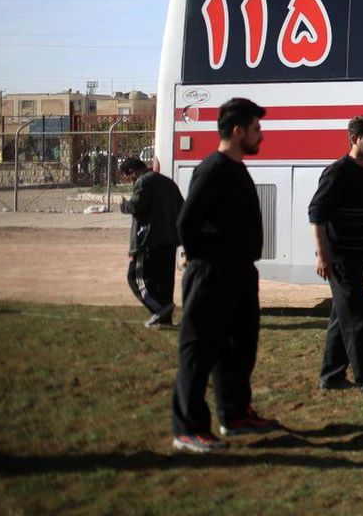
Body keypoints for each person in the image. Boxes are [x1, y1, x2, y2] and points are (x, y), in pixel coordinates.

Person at [171, 98, 280, 453]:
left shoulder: (235, 167)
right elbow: (187, 222)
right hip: (211, 274)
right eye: (256, 128)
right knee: (199, 352)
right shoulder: (213, 169)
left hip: (239, 274)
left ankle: (234, 415)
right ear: (238, 131)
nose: (260, 134)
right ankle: (187, 428)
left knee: (239, 349)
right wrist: (197, 258)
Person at [310, 116, 363, 397]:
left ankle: (331, 375)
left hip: (359, 257)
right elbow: (317, 215)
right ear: (354, 139)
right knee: (358, 315)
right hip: (339, 258)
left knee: (341, 315)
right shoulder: (337, 172)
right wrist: (322, 256)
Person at [119, 156, 184, 328]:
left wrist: (124, 205)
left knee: (135, 277)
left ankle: (160, 309)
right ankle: (165, 321)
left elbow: (137, 207)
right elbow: (181, 207)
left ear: (132, 171)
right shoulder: (168, 182)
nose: (129, 181)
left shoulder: (143, 182)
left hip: (149, 241)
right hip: (170, 241)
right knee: (164, 282)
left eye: (128, 177)